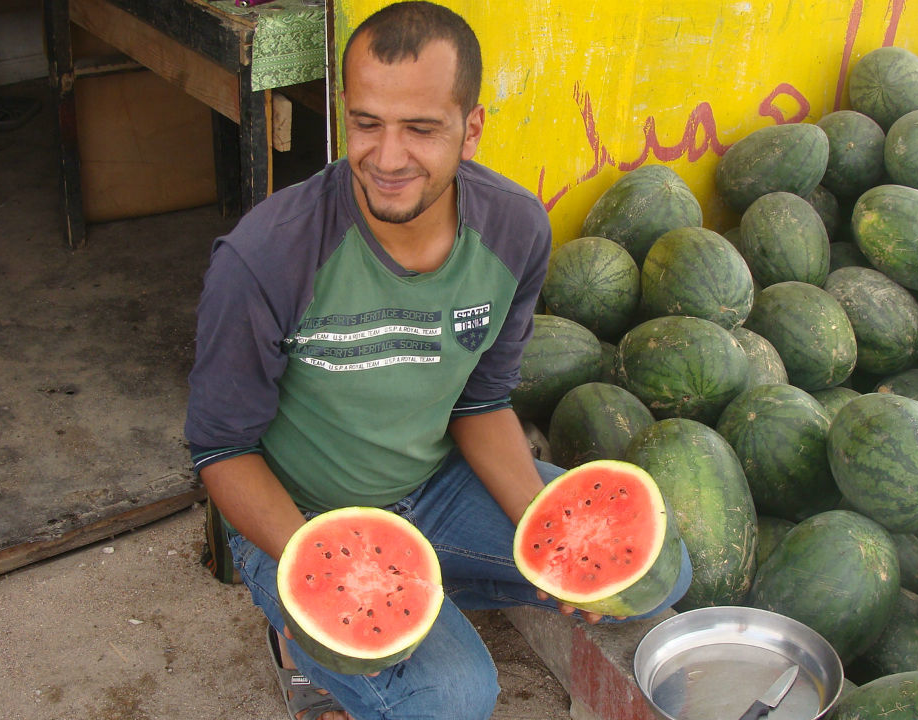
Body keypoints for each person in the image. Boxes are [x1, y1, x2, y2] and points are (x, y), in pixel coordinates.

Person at [183, 3, 691, 719]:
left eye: (421, 129)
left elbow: (480, 401)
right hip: (298, 514)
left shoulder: (514, 229)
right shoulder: (266, 255)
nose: (387, 159)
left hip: (436, 489)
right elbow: (222, 446)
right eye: (365, 123)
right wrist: (332, 578)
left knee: (660, 572)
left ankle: (415, 605)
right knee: (450, 700)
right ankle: (304, 643)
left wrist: (549, 534)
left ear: (470, 129)